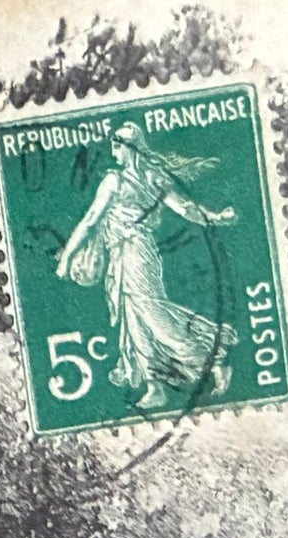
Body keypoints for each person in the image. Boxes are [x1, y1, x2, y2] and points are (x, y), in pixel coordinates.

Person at [55, 121, 239, 411]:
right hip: (126, 254)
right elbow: (187, 209)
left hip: (135, 253)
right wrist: (214, 217)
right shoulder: (154, 177)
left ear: (131, 148)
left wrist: (67, 257)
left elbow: (91, 219)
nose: (113, 148)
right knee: (135, 319)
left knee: (153, 316)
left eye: (117, 143)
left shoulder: (116, 181)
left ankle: (213, 361)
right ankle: (155, 387)